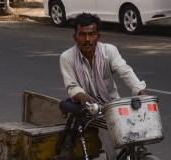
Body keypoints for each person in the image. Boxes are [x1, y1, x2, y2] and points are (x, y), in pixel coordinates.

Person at [59, 13, 146, 160]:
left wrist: (139, 91)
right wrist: (83, 96)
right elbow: (72, 85)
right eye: (82, 34)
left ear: (98, 36)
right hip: (87, 109)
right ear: (75, 37)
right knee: (110, 132)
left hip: (112, 104)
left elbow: (125, 71)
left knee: (137, 122)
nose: (87, 39)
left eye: (92, 34)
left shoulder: (109, 51)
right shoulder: (67, 57)